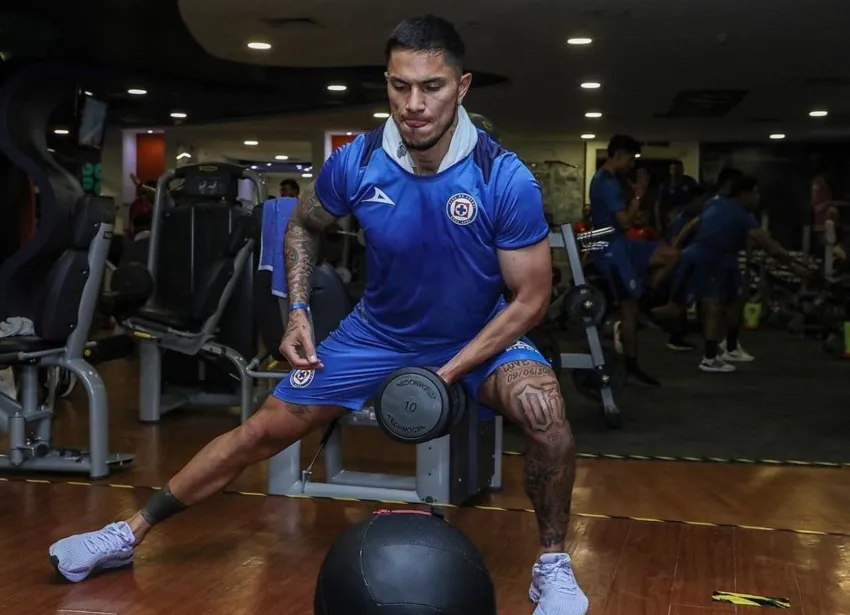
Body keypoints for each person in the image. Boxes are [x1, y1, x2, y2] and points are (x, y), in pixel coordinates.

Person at [48, 15, 587, 615]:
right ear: (386, 83)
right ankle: (128, 534)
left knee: (546, 413)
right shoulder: (355, 163)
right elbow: (305, 224)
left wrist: (450, 371)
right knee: (259, 431)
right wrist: (298, 310)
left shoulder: (502, 177)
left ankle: (554, 566)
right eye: (399, 85)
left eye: (431, 87)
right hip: (375, 334)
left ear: (461, 88)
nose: (413, 104)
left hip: (479, 336)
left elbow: (531, 299)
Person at [671, 175, 810, 372]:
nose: (758, 197)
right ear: (744, 194)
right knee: (711, 306)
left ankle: (730, 347)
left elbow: (692, 225)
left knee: (735, 300)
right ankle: (709, 358)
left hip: (725, 259)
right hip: (707, 258)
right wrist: (795, 267)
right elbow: (771, 247)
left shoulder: (719, 204)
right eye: (755, 193)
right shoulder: (739, 213)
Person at [589, 135, 679, 385]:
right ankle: (631, 367)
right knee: (629, 308)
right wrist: (638, 196)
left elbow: (627, 222)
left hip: (623, 244)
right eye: (630, 158)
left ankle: (646, 302)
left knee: (671, 254)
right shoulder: (605, 182)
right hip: (610, 250)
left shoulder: (613, 181)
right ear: (618, 154)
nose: (632, 164)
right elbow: (626, 222)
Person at [654, 160, 699, 236]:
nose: (675, 171)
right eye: (673, 169)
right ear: (669, 170)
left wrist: (683, 209)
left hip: (686, 218)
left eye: (678, 169)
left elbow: (698, 199)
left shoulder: (689, 181)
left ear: (682, 170)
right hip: (669, 220)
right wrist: (658, 223)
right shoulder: (665, 185)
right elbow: (657, 204)